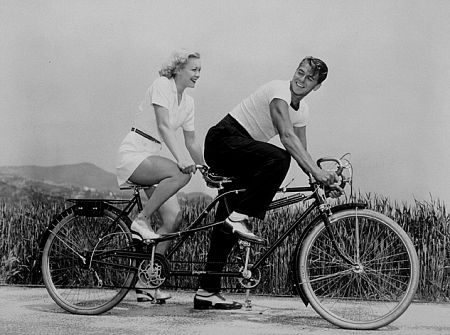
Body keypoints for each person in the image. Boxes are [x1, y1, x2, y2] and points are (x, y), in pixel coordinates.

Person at [194, 56, 341, 310]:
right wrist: (318, 172)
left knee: (226, 226)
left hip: (244, 154)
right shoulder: (279, 91)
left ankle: (207, 290)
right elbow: (286, 137)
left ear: (316, 87)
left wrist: (319, 181)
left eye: (309, 78)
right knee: (278, 158)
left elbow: (301, 150)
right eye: (300, 72)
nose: (301, 79)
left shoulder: (302, 111)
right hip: (223, 142)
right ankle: (240, 216)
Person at [116, 49, 205, 303]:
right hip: (134, 153)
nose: (198, 75)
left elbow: (191, 141)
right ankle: (141, 220)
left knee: (173, 219)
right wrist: (181, 161)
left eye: (200, 70)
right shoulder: (161, 85)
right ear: (178, 68)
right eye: (194, 69)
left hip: (151, 155)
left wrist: (206, 169)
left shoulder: (188, 103)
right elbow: (164, 125)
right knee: (179, 173)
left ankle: (146, 284)